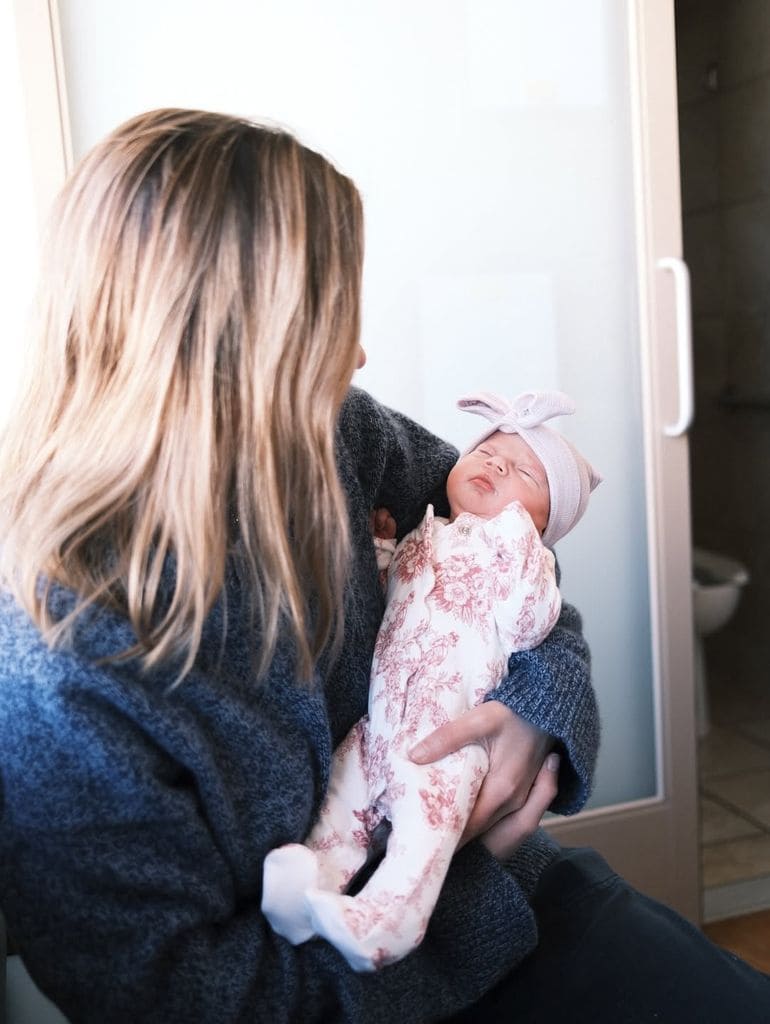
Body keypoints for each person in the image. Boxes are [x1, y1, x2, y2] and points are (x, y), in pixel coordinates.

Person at [0, 108, 766, 1024]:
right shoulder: (62, 661)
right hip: (383, 979)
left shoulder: (339, 436)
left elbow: (518, 571)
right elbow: (182, 993)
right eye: (328, 320)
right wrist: (455, 889)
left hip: (527, 899)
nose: (359, 353)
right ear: (225, 347)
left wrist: (536, 718)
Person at [261, 389, 601, 971]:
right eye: (490, 450)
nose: (496, 463)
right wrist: (383, 550)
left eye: (524, 472)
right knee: (345, 803)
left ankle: (385, 923)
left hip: (446, 737)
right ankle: (310, 885)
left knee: (421, 840)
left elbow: (541, 624)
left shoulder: (515, 551)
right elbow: (391, 594)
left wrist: (534, 703)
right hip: (379, 721)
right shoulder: (429, 531)